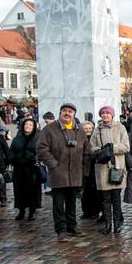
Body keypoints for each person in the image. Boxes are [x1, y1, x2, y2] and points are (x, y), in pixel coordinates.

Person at [36, 103, 88, 241]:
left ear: (74, 114)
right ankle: (61, 230)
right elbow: (41, 149)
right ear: (59, 113)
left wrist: (84, 169)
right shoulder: (49, 129)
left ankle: (72, 226)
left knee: (72, 202)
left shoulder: (79, 130)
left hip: (75, 172)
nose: (67, 113)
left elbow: (86, 150)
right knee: (58, 204)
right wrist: (53, 165)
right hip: (59, 173)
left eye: (70, 111)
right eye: (64, 111)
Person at [90, 105, 131, 234]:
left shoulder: (120, 128)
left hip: (117, 167)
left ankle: (117, 224)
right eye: (103, 113)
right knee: (105, 199)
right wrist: (101, 151)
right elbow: (91, 147)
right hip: (102, 168)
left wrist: (112, 148)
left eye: (108, 113)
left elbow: (126, 147)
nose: (105, 115)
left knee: (116, 199)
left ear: (112, 115)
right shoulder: (97, 130)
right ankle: (107, 224)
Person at [9, 117, 43, 221]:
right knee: (20, 190)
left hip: (32, 168)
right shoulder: (17, 138)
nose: (27, 126)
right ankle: (21, 210)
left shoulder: (38, 138)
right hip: (19, 168)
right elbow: (11, 151)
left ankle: (32, 211)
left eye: (30, 125)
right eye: (26, 125)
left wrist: (33, 158)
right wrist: (14, 160)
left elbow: (41, 152)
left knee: (33, 190)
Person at [79, 119, 103, 221]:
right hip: (83, 168)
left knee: (95, 192)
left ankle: (96, 211)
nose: (88, 130)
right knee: (85, 193)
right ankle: (86, 211)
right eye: (86, 128)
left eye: (89, 128)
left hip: (93, 167)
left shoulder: (95, 138)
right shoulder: (79, 139)